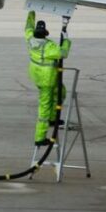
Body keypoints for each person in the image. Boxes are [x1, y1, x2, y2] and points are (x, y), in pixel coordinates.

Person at [24, 10, 72, 146]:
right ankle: (40, 137)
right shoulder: (49, 47)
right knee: (44, 106)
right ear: (46, 34)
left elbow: (27, 27)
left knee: (60, 92)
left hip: (38, 76)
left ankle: (53, 118)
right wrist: (66, 40)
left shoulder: (30, 40)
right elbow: (63, 52)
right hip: (47, 80)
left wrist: (31, 12)